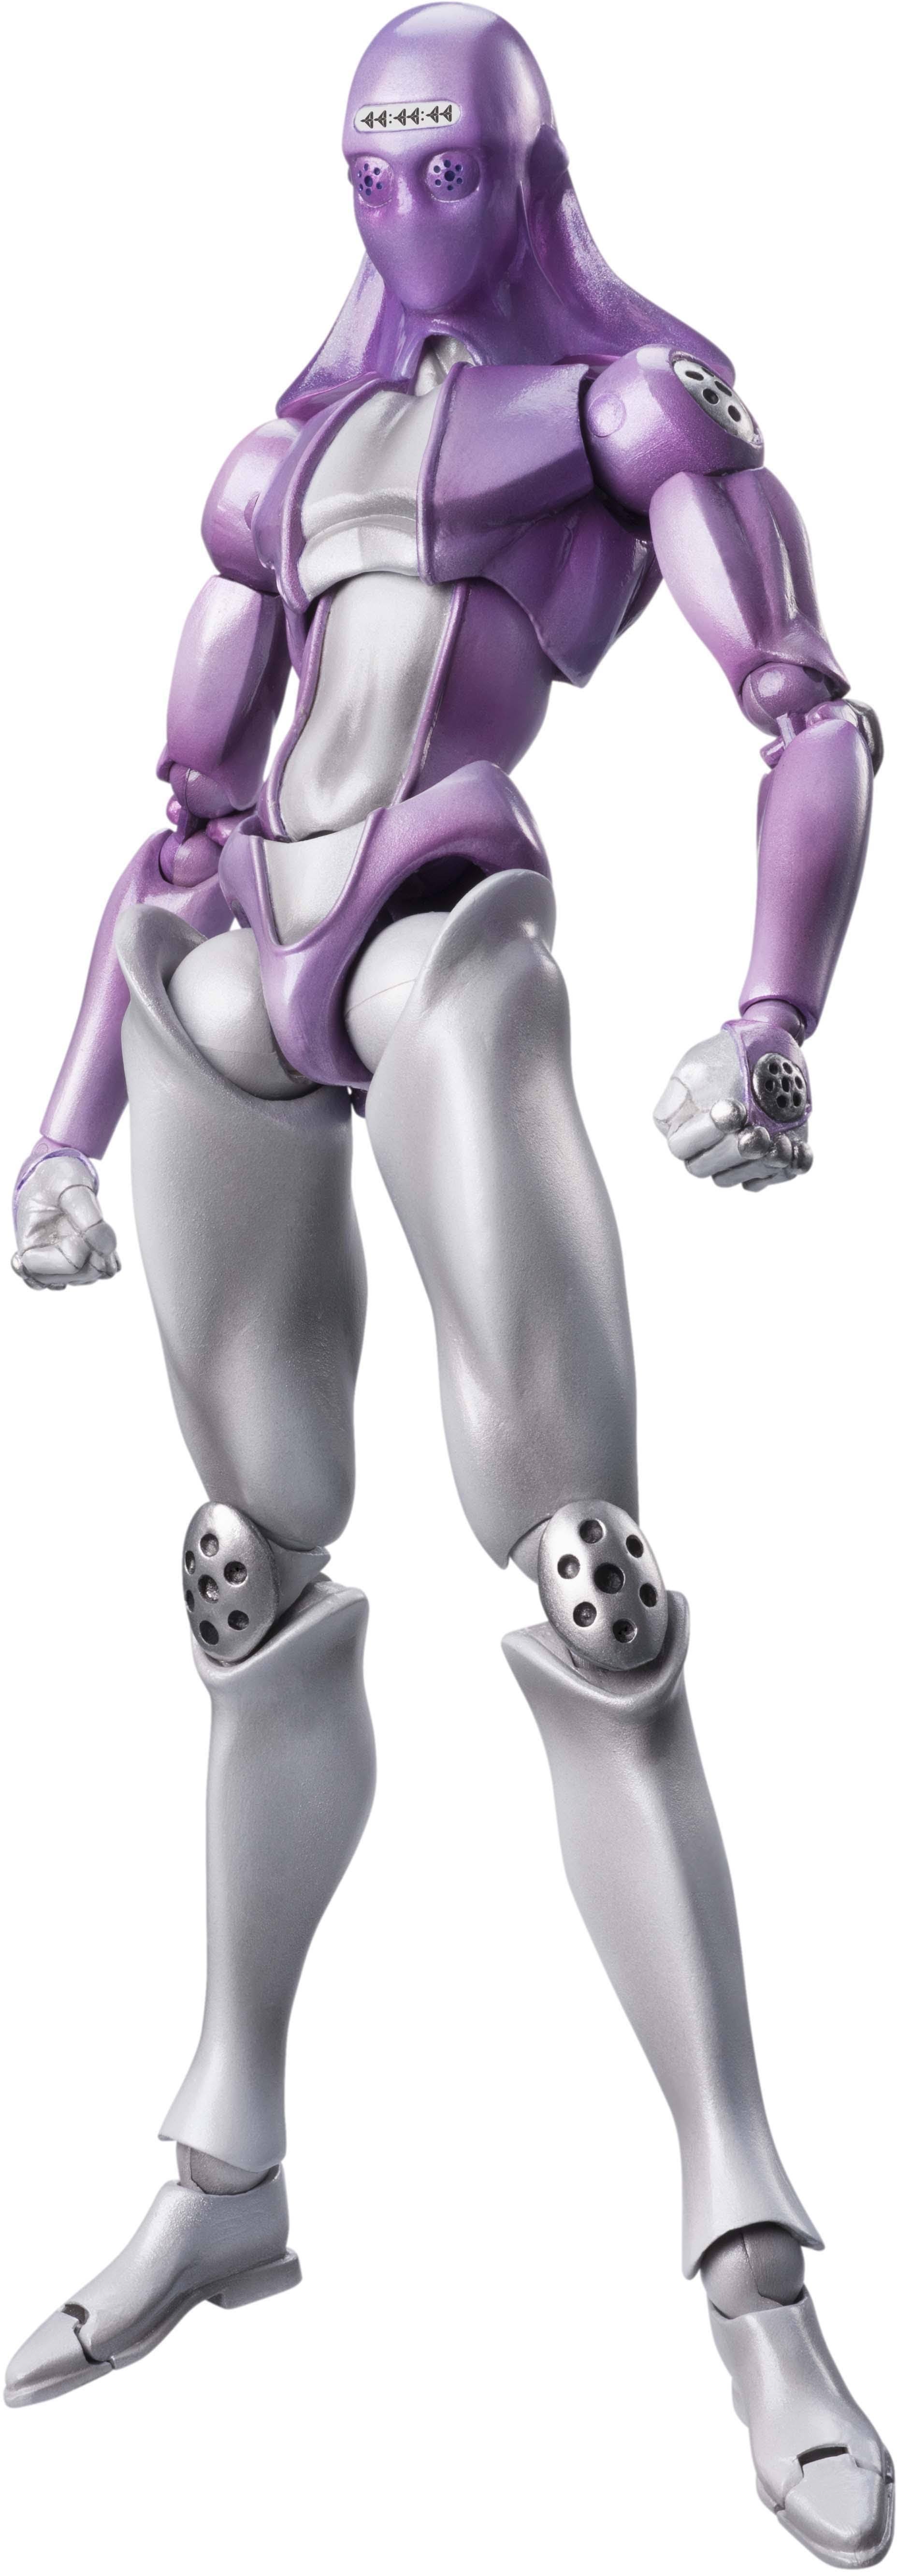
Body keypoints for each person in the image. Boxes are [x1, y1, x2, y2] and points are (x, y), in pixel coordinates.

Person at [7, 8, 891, 2563]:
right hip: (226, 973)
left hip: (439, 932)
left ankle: (754, 2279)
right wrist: (60, 1126)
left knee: (593, 1590)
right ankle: (228, 2174)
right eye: (372, 163)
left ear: (527, 170)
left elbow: (811, 716)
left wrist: (774, 1019)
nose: (409, 204)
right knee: (244, 1574)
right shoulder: (272, 461)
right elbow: (176, 811)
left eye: (448, 162)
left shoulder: (627, 409)